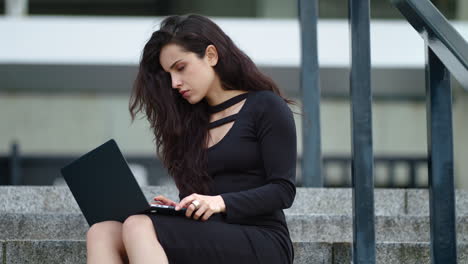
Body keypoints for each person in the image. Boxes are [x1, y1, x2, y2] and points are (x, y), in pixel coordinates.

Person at [86, 14, 297, 264]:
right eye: (169, 75)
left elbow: (283, 191)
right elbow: (203, 206)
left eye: (180, 68)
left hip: (262, 238)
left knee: (137, 225)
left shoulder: (265, 106)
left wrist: (219, 202)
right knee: (101, 232)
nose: (175, 83)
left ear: (211, 55)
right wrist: (180, 209)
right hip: (210, 234)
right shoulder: (188, 125)